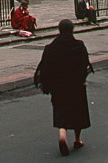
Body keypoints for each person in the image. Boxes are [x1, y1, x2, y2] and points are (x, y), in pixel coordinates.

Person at [37, 19, 93, 156]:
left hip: (59, 85)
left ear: (59, 30)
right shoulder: (78, 45)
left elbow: (45, 67)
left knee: (61, 109)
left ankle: (62, 134)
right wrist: (82, 79)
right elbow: (84, 65)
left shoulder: (51, 47)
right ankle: (77, 139)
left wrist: (49, 83)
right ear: (72, 30)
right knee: (77, 110)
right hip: (76, 85)